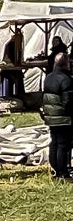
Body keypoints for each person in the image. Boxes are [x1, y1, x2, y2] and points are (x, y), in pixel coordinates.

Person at [41, 53, 73, 181]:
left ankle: (55, 169)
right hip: (63, 117)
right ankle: (62, 171)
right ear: (66, 64)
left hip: (51, 116)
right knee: (63, 145)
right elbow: (68, 101)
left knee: (54, 143)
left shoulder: (48, 77)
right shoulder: (66, 79)